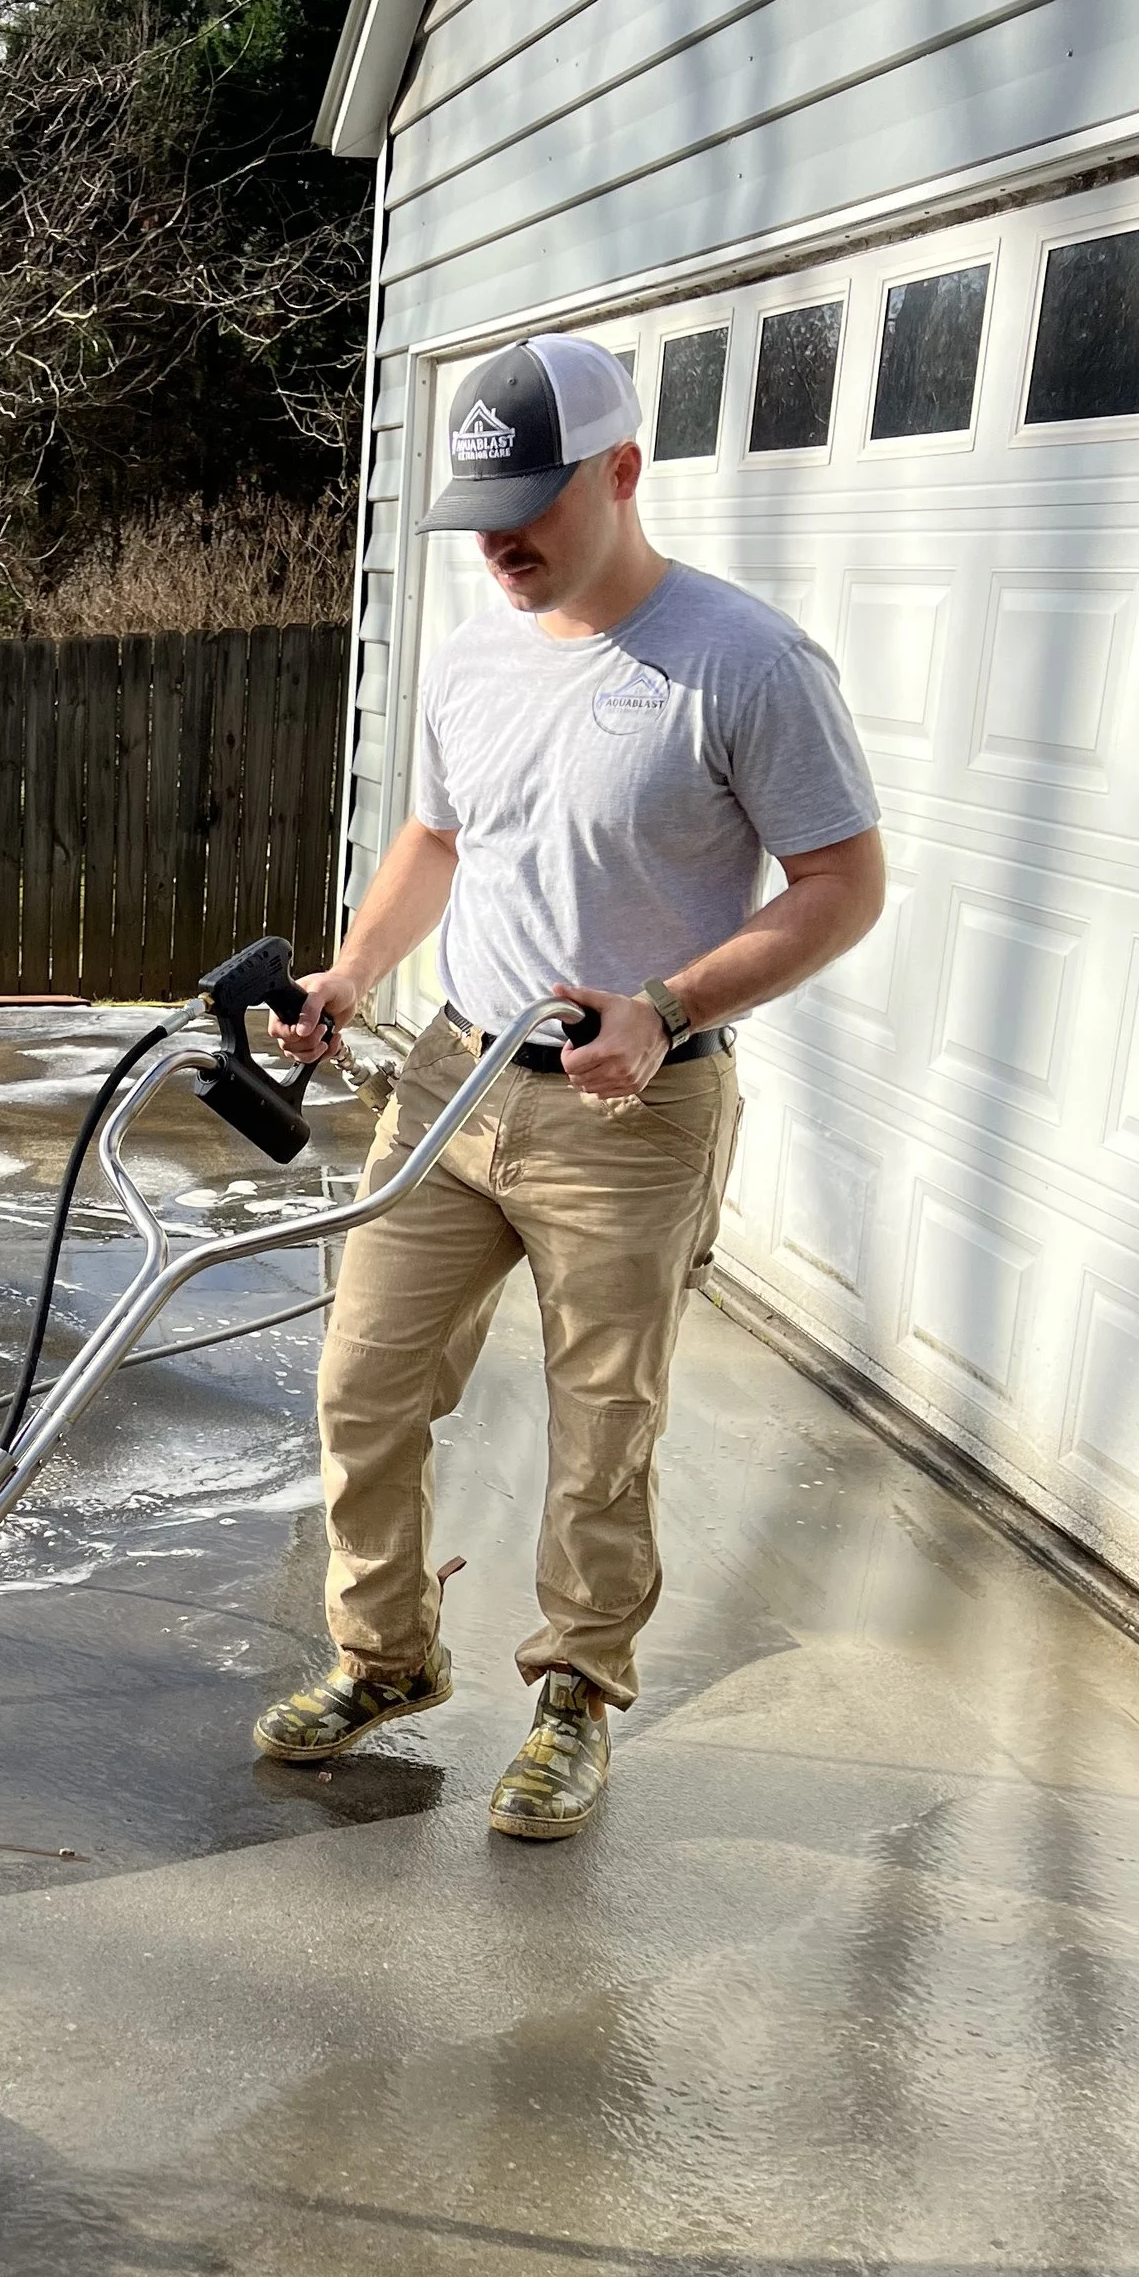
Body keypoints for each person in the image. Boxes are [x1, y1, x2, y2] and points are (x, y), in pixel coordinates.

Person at [252, 332, 885, 1837]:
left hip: (632, 1109)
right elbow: (441, 842)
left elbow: (843, 884)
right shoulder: (473, 652)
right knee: (364, 1389)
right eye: (477, 514)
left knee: (605, 1425)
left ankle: (575, 1697)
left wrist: (667, 1007)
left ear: (621, 472)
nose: (501, 543)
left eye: (529, 505)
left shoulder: (745, 661)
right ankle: (386, 1660)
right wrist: (352, 976)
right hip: (454, 1077)